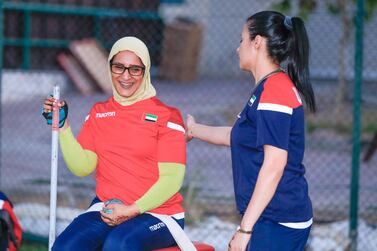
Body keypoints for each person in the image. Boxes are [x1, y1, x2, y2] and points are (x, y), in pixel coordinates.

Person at [186, 11, 316, 251]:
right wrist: (193, 129)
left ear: (257, 42)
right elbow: (235, 136)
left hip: (279, 219)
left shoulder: (274, 93)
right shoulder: (268, 88)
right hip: (271, 216)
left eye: (241, 39)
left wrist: (245, 229)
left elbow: (275, 165)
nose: (238, 48)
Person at [42, 36, 187, 251]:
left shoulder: (167, 116)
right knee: (64, 247)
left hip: (158, 213)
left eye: (134, 69)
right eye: (119, 67)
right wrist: (62, 127)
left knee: (118, 245)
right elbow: (82, 167)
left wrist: (131, 210)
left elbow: (171, 180)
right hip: (108, 208)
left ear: (145, 71)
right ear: (109, 68)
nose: (125, 76)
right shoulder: (99, 113)